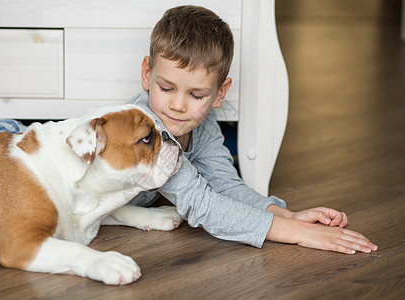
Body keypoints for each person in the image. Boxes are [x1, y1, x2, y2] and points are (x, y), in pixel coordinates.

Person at [127, 5, 377, 254]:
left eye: (196, 94)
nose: (178, 105)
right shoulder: (146, 131)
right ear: (147, 73)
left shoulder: (200, 124)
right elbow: (202, 204)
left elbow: (225, 185)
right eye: (167, 88)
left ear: (219, 93)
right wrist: (298, 233)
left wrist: (287, 215)